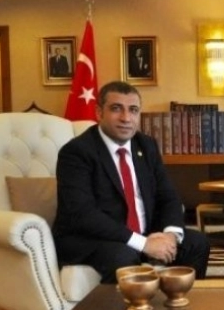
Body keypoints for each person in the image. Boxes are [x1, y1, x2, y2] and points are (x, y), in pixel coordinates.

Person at [53, 80, 210, 283]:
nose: (126, 118)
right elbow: (83, 214)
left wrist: (170, 237)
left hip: (142, 234)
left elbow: (168, 197)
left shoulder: (146, 145)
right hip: (92, 239)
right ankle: (132, 305)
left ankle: (179, 301)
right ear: (99, 113)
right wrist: (143, 243)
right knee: (123, 256)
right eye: (116, 109)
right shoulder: (77, 152)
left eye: (133, 110)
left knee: (197, 243)